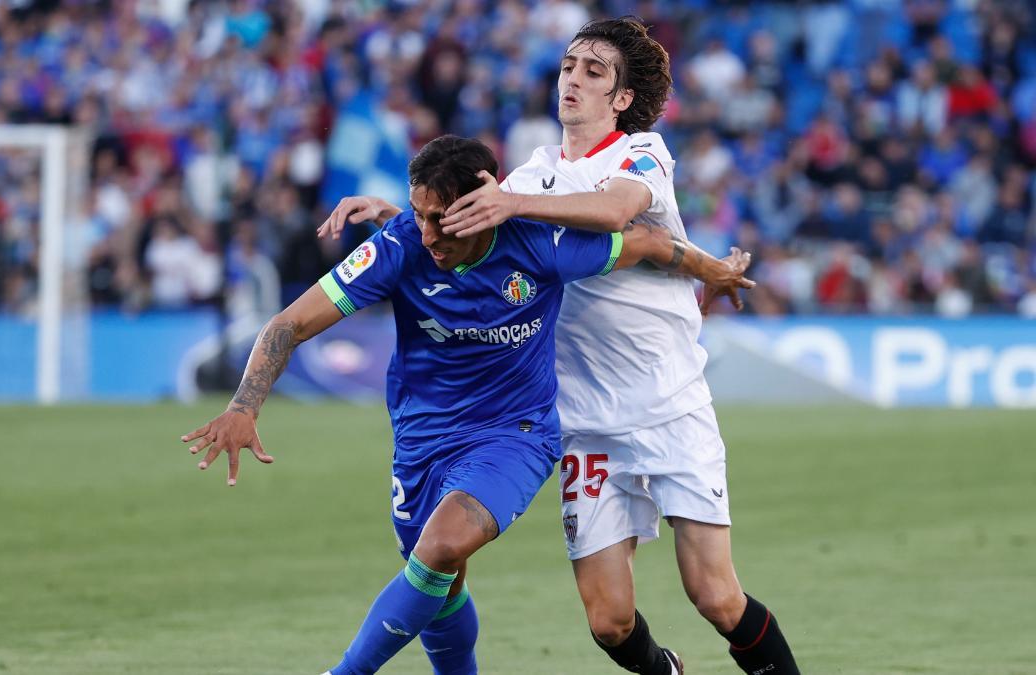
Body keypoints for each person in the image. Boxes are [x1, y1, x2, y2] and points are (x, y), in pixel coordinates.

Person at [318, 18, 801, 675]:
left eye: (593, 72)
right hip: (582, 422)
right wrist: (405, 215)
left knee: (714, 595)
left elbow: (613, 213)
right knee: (609, 621)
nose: (572, 79)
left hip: (669, 404)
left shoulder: (641, 154)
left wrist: (510, 202)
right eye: (569, 65)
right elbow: (477, 225)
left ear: (622, 98)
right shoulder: (533, 172)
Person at [186, 134, 754, 675]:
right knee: (439, 579)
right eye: (418, 214)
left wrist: (716, 271)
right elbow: (288, 324)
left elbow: (650, 241)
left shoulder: (540, 243)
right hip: (420, 441)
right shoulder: (399, 245)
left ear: (484, 203)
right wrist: (244, 405)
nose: (427, 233)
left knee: (442, 546)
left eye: (442, 218)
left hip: (516, 434)